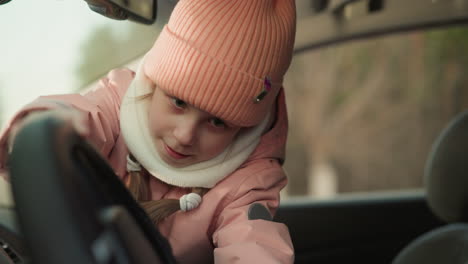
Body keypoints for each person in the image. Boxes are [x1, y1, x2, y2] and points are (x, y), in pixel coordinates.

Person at [0, 0, 296, 262]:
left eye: (218, 122)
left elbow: (253, 242)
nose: (184, 135)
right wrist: (39, 133)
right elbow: (74, 116)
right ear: (154, 83)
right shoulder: (118, 104)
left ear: (243, 128)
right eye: (178, 102)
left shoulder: (247, 183)